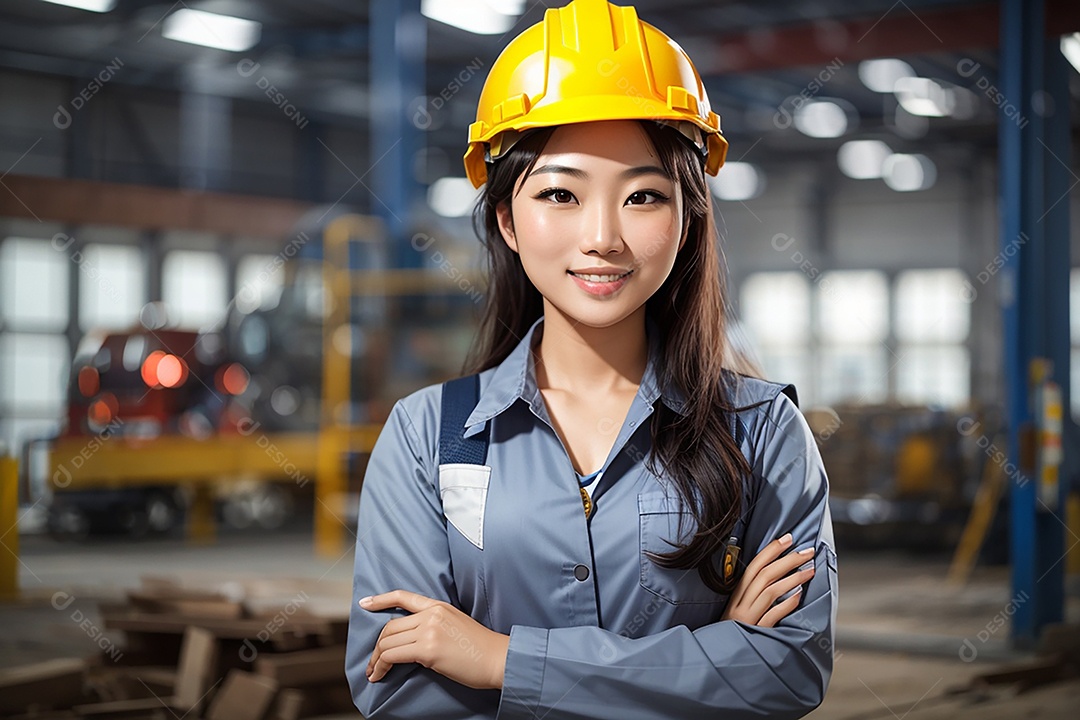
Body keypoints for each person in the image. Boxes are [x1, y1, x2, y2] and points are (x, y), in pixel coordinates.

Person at [345, 1, 837, 718]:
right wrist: (714, 653)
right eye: (560, 194)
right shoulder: (427, 439)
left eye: (641, 195)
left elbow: (787, 671)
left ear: (689, 216)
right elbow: (396, 687)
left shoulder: (763, 435)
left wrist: (499, 660)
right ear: (507, 218)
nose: (603, 236)